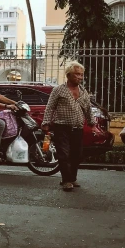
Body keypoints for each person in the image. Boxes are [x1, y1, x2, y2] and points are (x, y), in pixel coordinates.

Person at [42, 61, 95, 192]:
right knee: (63, 154)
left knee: (77, 154)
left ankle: (72, 178)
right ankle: (66, 180)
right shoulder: (58, 90)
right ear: (69, 75)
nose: (80, 77)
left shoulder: (83, 91)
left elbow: (88, 109)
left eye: (81, 75)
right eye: (77, 74)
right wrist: (46, 123)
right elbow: (50, 108)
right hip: (62, 127)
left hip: (77, 127)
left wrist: (92, 124)